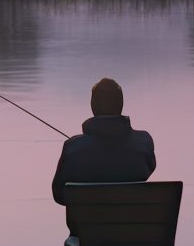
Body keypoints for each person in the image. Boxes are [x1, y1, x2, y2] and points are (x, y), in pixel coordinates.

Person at [51, 77, 156, 225]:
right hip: (135, 236)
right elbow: (147, 170)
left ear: (93, 107)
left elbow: (59, 195)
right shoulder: (144, 142)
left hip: (89, 239)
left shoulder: (73, 147)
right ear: (121, 105)